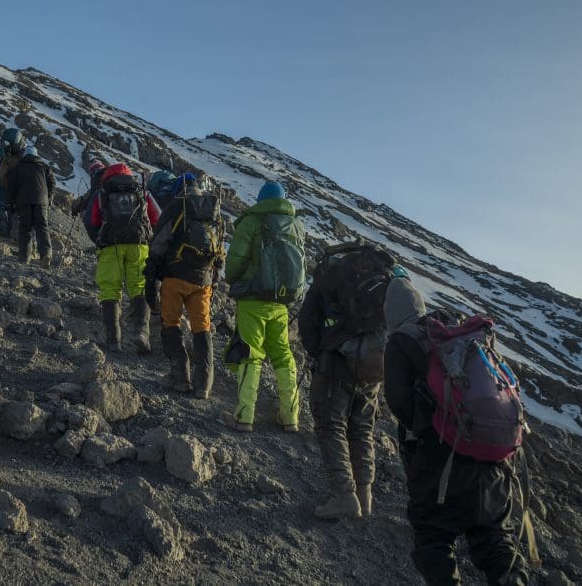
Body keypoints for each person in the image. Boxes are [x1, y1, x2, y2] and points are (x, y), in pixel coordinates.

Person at [384, 277, 530, 585]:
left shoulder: (402, 340)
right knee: (494, 539)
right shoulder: (452, 333)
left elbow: (399, 403)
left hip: (444, 461)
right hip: (494, 459)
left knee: (433, 537)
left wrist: (430, 432)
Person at [298, 242, 399, 520]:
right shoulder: (387, 281)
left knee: (331, 424)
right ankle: (365, 497)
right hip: (373, 367)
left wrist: (319, 351)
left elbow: (307, 319)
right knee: (362, 428)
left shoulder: (334, 272)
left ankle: (343, 494)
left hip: (338, 362)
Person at [220, 181, 304, 433]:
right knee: (282, 355)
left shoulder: (252, 221)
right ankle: (290, 417)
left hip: (253, 299)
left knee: (251, 354)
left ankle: (244, 416)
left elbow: (235, 261)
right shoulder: (296, 227)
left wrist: (234, 281)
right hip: (281, 303)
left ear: (260, 199)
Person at [144, 173, 224, 398]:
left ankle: (180, 378)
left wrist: (151, 277)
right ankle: (204, 385)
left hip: (175, 277)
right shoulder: (214, 212)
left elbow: (159, 242)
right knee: (202, 328)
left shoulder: (177, 206)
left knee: (171, 323)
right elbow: (219, 254)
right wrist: (213, 281)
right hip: (203, 282)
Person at [89, 163, 160, 353]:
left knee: (110, 289)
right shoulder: (140, 190)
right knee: (139, 286)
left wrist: (100, 238)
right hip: (138, 244)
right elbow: (157, 217)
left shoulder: (103, 191)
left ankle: (114, 340)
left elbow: (93, 220)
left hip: (111, 245)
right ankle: (142, 334)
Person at [6, 146, 56, 267]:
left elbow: (11, 187)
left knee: (25, 230)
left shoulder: (17, 168)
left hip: (23, 203)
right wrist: (49, 199)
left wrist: (11, 204)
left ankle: (24, 258)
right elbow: (52, 183)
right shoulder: (44, 167)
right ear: (36, 155)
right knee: (42, 228)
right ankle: (45, 255)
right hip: (41, 202)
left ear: (25, 155)